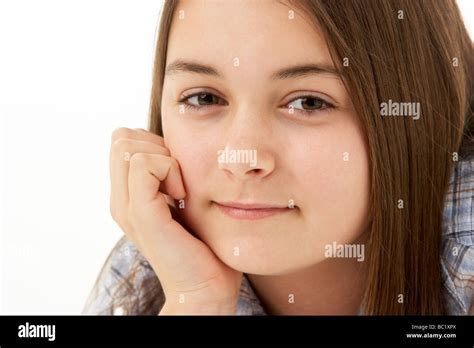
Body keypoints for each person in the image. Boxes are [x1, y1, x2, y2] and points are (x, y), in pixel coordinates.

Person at [83, 0, 474, 315]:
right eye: (204, 98)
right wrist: (197, 301)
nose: (242, 156)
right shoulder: (154, 267)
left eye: (308, 102)